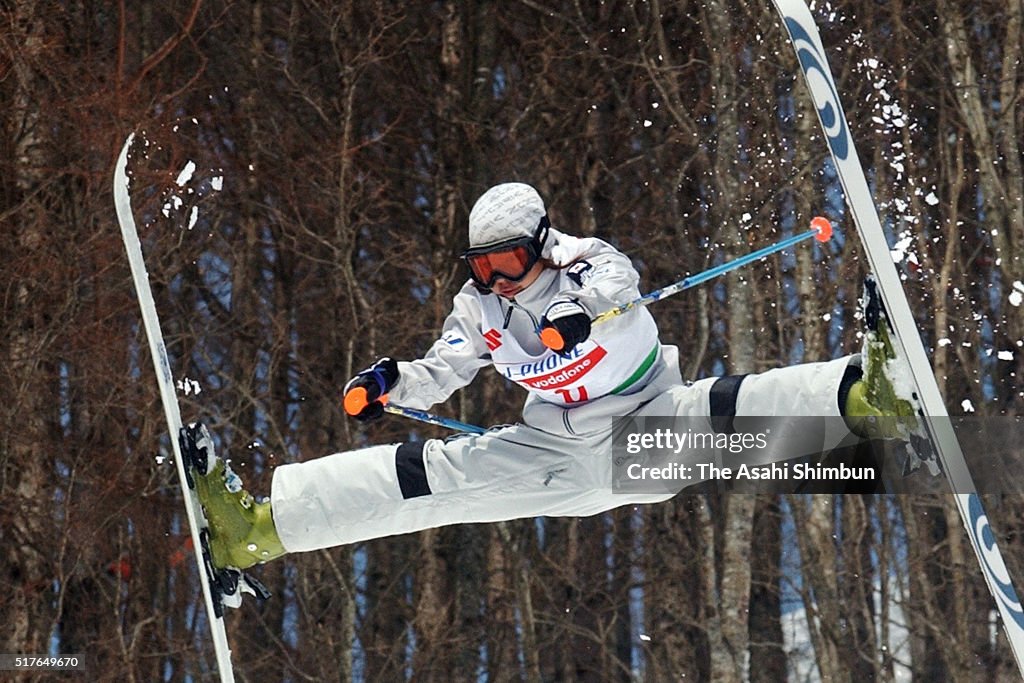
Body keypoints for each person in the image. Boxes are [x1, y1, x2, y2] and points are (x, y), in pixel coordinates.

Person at [190, 182, 913, 570]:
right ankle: (255, 530)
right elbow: (447, 365)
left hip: (643, 425)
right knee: (427, 478)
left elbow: (616, 277)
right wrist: (393, 385)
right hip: (553, 452)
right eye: (481, 266)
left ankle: (862, 394)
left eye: (506, 262)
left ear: (539, 243)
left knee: (726, 410)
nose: (497, 280)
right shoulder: (481, 308)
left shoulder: (582, 259)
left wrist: (575, 309)